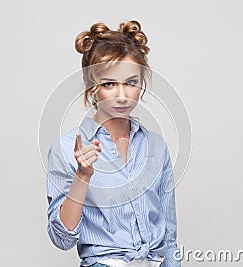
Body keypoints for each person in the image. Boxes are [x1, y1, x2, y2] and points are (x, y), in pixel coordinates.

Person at [46, 20, 181, 267]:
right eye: (109, 84)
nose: (121, 95)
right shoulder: (65, 149)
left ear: (142, 82)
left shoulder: (156, 146)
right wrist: (83, 176)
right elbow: (61, 238)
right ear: (90, 84)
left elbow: (169, 232)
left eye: (131, 82)